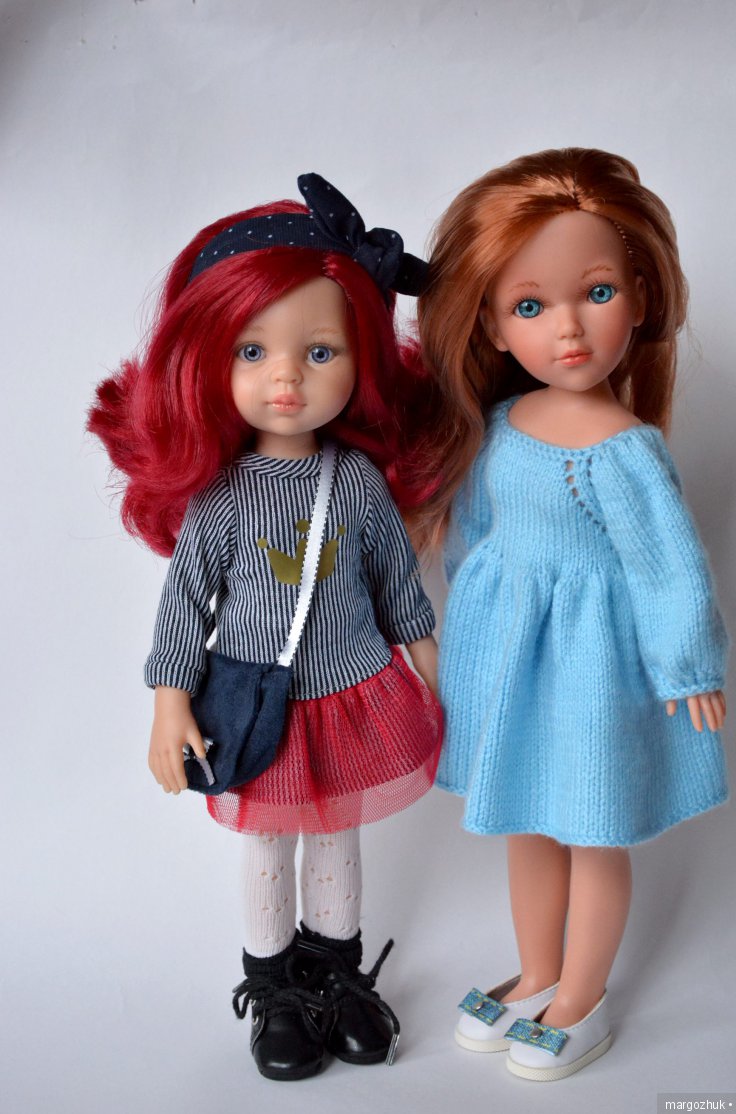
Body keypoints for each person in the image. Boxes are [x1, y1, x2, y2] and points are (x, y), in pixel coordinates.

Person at [88, 174, 442, 1081]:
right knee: (266, 843)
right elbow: (183, 608)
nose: (287, 377)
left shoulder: (356, 484)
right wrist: (170, 704)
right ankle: (276, 989)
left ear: (363, 362)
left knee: (337, 838)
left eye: (320, 351)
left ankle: (337, 976)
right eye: (253, 350)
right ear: (208, 362)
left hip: (354, 691)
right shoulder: (220, 499)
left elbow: (398, 587)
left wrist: (436, 674)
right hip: (258, 704)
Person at [411, 148, 728, 1082]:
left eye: (596, 293)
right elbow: (476, 541)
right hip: (514, 659)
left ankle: (581, 998)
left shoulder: (622, 450)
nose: (569, 328)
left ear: (640, 295)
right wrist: (463, 638)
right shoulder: (501, 428)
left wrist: (688, 665)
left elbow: (670, 568)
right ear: (491, 323)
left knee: (592, 824)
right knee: (527, 820)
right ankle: (536, 975)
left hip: (592, 667)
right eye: (530, 306)